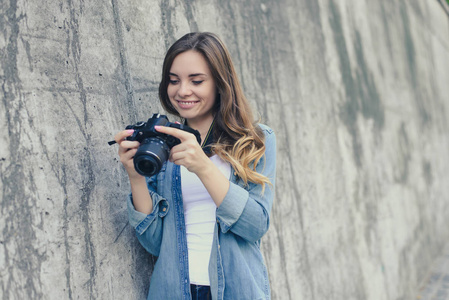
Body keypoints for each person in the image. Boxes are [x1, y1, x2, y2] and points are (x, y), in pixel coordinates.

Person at [114, 32, 276, 300]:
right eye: (173, 80)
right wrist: (136, 176)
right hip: (174, 291)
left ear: (220, 83)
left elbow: (255, 225)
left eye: (196, 81)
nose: (182, 91)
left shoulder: (255, 140)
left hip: (235, 291)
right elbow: (155, 243)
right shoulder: (164, 144)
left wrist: (202, 166)